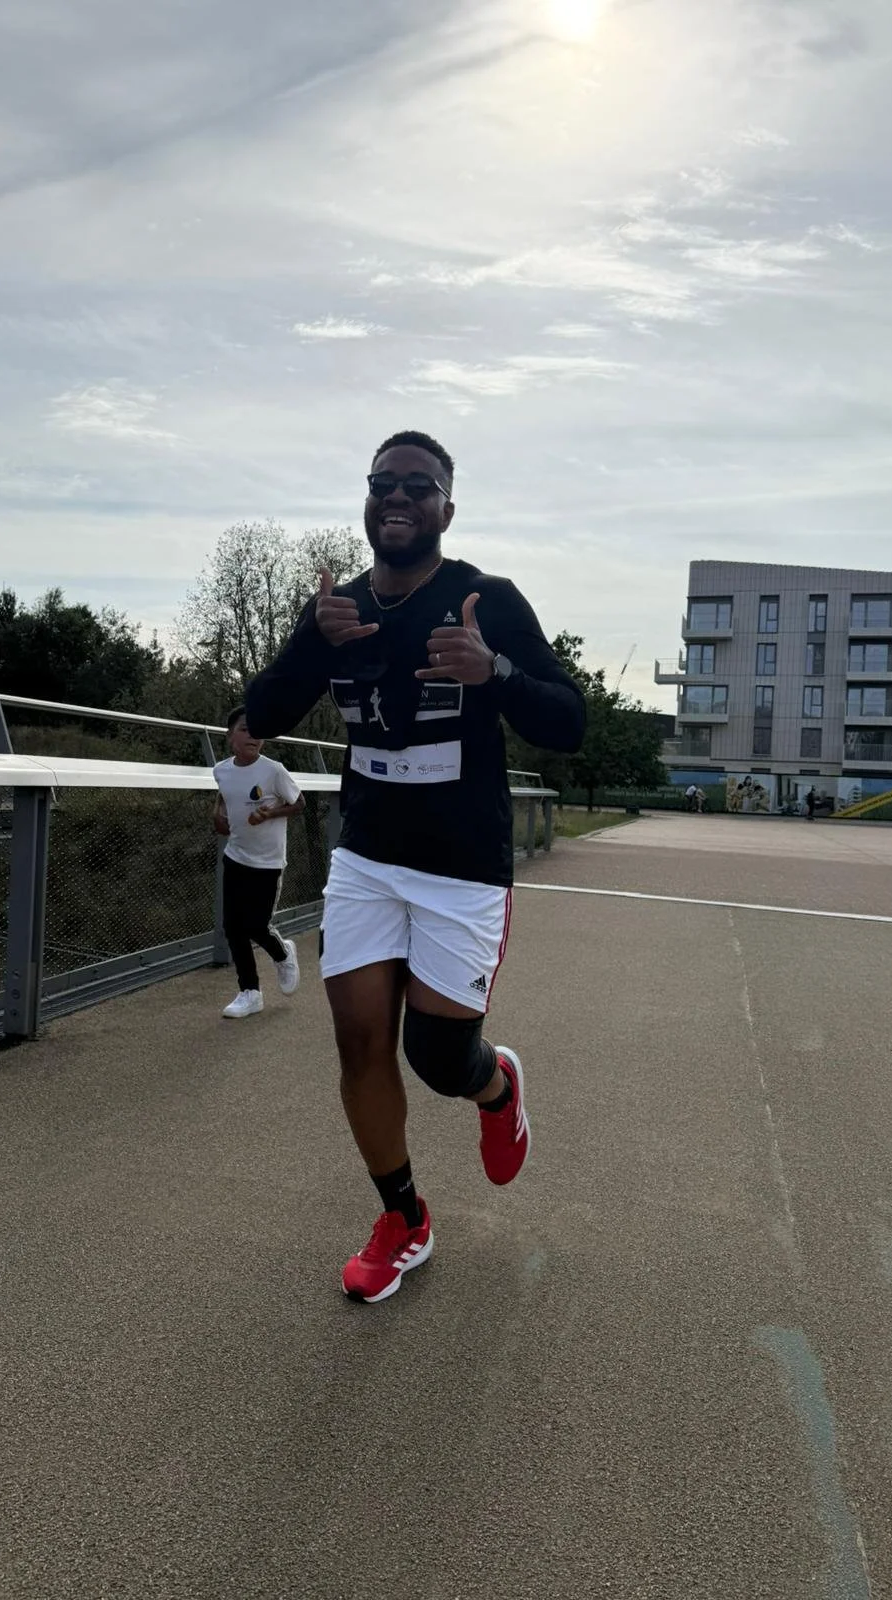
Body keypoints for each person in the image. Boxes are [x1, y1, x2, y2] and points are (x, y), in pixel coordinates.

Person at [245, 430, 586, 1303]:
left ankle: (495, 1084)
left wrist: (496, 671)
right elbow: (263, 716)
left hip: (462, 868)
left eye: (418, 485)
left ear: (446, 507)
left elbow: (568, 722)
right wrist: (312, 649)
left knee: (436, 1058)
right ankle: (404, 1220)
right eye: (383, 483)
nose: (398, 497)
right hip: (366, 858)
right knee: (358, 1040)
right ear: (367, 499)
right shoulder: (339, 608)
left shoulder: (487, 598)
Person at [212, 707, 305, 1019]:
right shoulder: (221, 770)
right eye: (245, 729)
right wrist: (219, 813)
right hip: (237, 854)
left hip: (268, 861)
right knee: (232, 927)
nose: (253, 736)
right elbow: (224, 798)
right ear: (230, 736)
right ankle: (250, 992)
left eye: (258, 731)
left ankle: (282, 953)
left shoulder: (273, 770)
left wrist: (269, 813)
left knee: (255, 924)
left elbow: (298, 803)